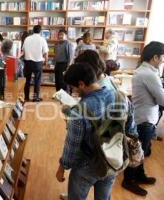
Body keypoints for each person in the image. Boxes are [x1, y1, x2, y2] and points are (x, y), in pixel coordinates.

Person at [56, 62, 137, 200]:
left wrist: (62, 167)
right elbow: (130, 128)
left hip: (86, 165)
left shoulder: (80, 110)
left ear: (81, 84)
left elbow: (72, 144)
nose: (73, 91)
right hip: (114, 159)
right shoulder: (120, 96)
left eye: (73, 87)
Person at [121, 41, 164, 196]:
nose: (163, 60)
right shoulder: (149, 74)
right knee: (137, 152)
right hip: (144, 119)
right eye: (162, 57)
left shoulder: (144, 70)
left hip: (143, 117)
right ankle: (128, 181)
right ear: (155, 57)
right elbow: (162, 100)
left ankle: (139, 175)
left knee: (141, 151)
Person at [22, 25, 48, 102]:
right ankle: (35, 98)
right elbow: (45, 53)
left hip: (28, 62)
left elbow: (23, 50)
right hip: (38, 63)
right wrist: (45, 61)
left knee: (27, 80)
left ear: (33, 30)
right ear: (40, 31)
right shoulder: (42, 39)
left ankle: (26, 97)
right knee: (37, 81)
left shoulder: (27, 38)